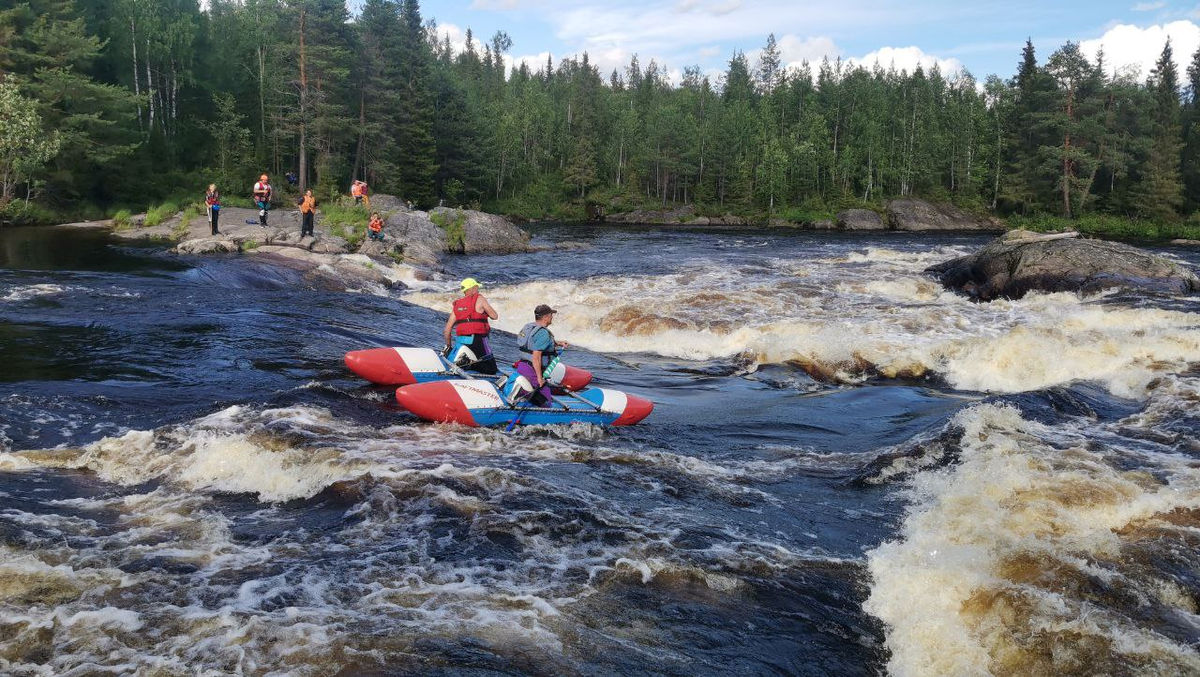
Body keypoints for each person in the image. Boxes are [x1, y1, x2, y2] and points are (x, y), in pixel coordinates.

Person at [514, 304, 569, 407]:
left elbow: (533, 343)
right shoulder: (543, 333)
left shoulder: (529, 327)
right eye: (551, 315)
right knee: (546, 403)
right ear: (545, 317)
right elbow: (536, 357)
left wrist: (557, 343)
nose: (552, 317)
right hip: (532, 371)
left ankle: (524, 397)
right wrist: (539, 378)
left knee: (532, 393)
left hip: (522, 367)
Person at [442, 278, 498, 375]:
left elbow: (447, 331)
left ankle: (465, 363)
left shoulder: (458, 304)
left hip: (461, 341)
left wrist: (448, 346)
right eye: (476, 287)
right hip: (477, 339)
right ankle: (470, 364)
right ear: (472, 288)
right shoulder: (480, 299)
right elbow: (494, 316)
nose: (478, 289)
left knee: (463, 359)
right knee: (492, 369)